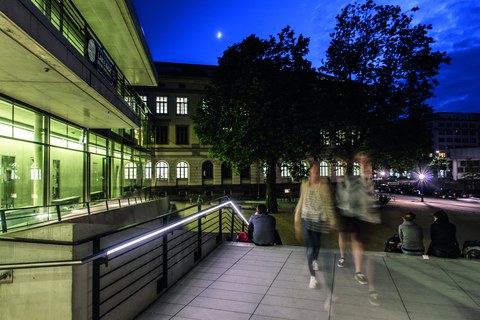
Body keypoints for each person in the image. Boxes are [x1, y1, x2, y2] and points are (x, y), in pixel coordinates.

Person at [294, 161, 336, 289]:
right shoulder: (305, 184)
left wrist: (332, 220)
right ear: (310, 172)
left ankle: (315, 260)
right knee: (310, 248)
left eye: (318, 172)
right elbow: (301, 200)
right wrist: (297, 217)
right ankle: (312, 277)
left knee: (317, 245)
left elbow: (328, 204)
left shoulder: (324, 186)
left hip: (319, 220)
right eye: (314, 171)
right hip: (306, 219)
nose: (316, 174)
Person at [335, 174, 380, 286]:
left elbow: (369, 195)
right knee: (342, 235)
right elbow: (339, 194)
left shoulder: (363, 177)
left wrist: (372, 214)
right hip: (344, 209)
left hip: (358, 212)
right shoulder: (344, 177)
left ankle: (358, 271)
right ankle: (342, 256)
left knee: (356, 240)